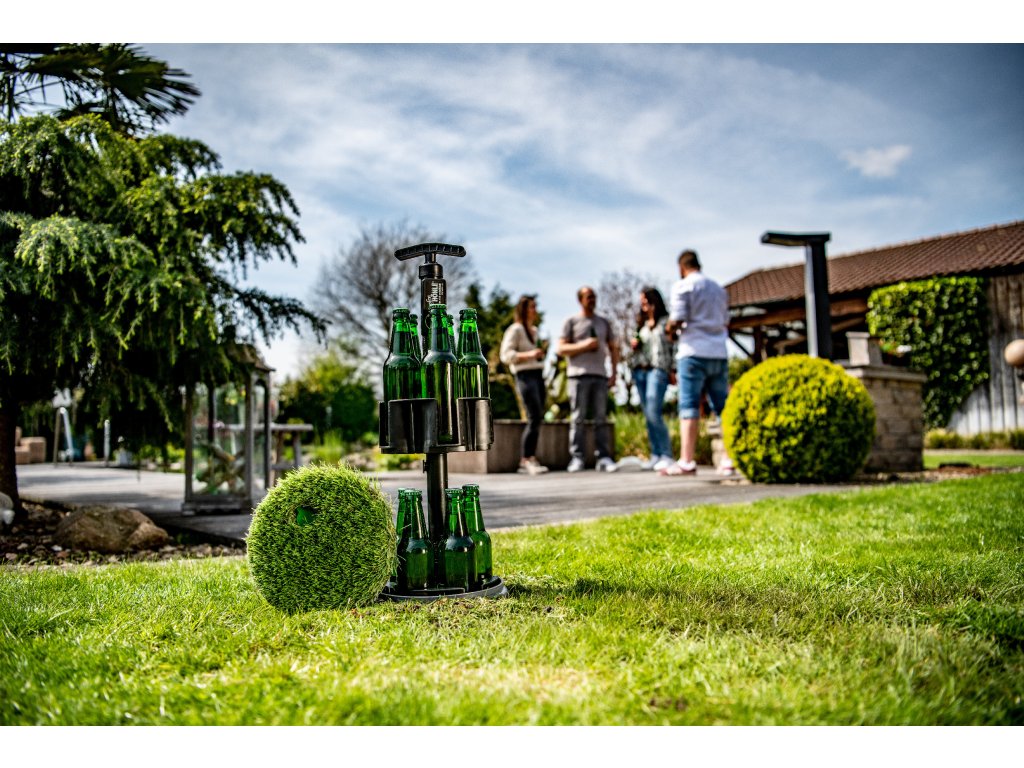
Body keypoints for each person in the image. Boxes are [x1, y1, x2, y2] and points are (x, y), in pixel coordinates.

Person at [660, 249, 734, 477]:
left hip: (693, 351)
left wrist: (669, 330)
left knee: (689, 405)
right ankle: (728, 459)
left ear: (681, 267)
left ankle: (687, 460)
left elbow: (677, 319)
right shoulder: (719, 290)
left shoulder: (683, 286)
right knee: (722, 407)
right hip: (718, 351)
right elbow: (725, 320)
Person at [556, 286, 618, 473]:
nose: (592, 300)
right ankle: (577, 458)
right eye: (589, 297)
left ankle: (604, 457)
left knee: (601, 418)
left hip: (600, 375)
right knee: (578, 418)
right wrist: (584, 345)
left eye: (594, 297)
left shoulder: (603, 322)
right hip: (577, 376)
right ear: (580, 299)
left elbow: (613, 347)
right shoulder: (571, 321)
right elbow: (561, 349)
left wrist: (614, 372)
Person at [499, 295, 550, 475]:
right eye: (532, 307)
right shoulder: (515, 330)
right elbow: (505, 355)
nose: (535, 310)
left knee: (538, 417)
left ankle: (531, 457)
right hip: (524, 376)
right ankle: (525, 460)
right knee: (533, 416)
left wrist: (540, 354)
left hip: (538, 375)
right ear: (523, 309)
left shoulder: (534, 331)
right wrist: (530, 355)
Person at [628, 287, 675, 471]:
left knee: (654, 411)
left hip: (658, 369)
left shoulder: (666, 322)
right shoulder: (641, 325)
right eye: (642, 302)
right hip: (640, 371)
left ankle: (667, 454)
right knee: (648, 415)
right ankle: (656, 454)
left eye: (646, 301)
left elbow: (673, 345)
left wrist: (673, 369)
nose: (644, 305)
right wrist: (634, 345)